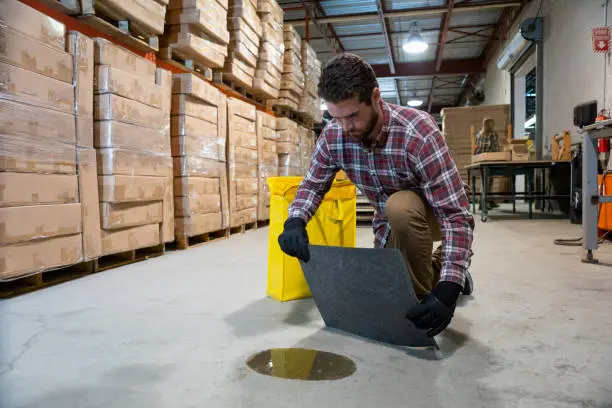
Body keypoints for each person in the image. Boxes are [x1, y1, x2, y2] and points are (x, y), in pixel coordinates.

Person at [278, 53, 474, 338]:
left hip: (436, 207)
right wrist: (295, 221)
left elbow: (454, 215)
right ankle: (440, 269)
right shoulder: (334, 135)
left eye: (353, 116)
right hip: (389, 221)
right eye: (335, 117)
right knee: (387, 281)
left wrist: (448, 291)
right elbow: (312, 184)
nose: (345, 127)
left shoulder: (417, 132)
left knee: (400, 208)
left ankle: (423, 298)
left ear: (375, 97)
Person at [474, 117, 501, 209]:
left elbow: (476, 150)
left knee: (485, 181)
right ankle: (483, 203)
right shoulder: (493, 135)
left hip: (480, 161)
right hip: (490, 161)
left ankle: (488, 201)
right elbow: (496, 149)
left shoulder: (478, 135)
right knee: (487, 182)